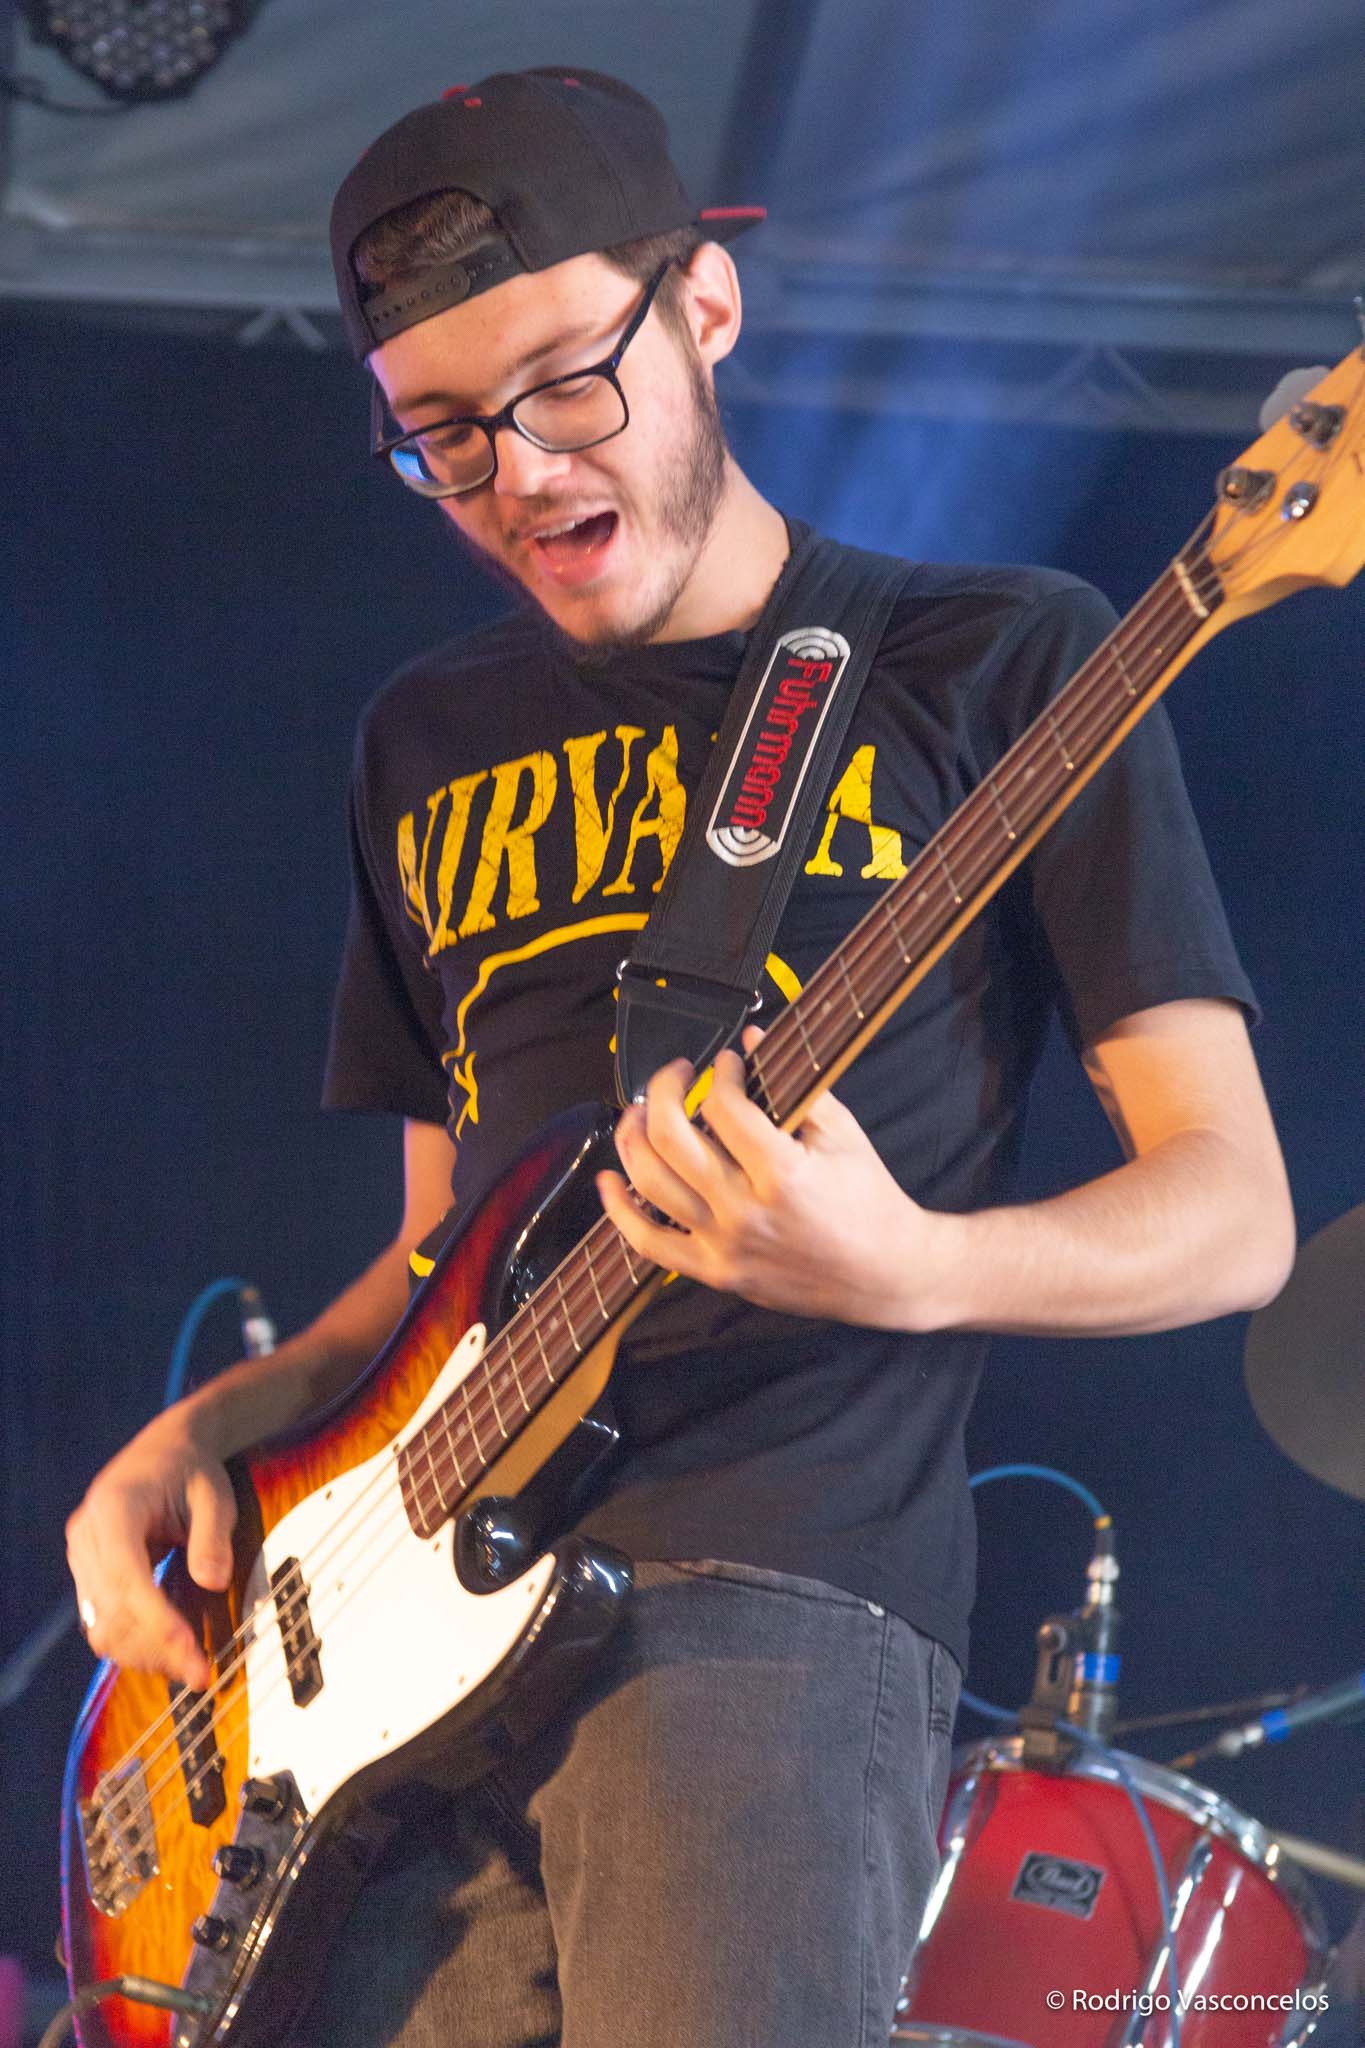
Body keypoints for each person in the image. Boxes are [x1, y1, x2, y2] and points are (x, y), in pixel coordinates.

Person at [65, 67, 1296, 2048]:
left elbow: (1231, 1213)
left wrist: (911, 1265)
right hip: (383, 1659)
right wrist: (207, 1431)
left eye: (565, 384)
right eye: (442, 432)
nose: (517, 472)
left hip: (762, 1594)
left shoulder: (996, 657)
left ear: (702, 308)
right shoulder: (419, 738)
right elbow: (428, 1264)